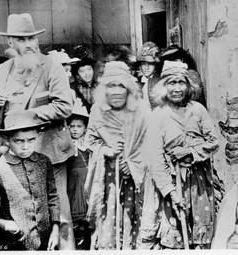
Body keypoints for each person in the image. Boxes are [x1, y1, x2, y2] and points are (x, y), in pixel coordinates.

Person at [0, 13, 75, 249]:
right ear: (10, 43)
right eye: (20, 40)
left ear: (37, 40)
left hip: (49, 151)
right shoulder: (3, 69)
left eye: (30, 39)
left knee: (58, 214)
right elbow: (0, 113)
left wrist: (26, 117)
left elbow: (64, 106)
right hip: (15, 152)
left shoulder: (51, 65)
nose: (27, 45)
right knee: (23, 213)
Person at [140, 61, 219, 249]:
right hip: (173, 183)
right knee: (176, 236)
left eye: (181, 83)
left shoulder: (198, 110)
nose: (177, 88)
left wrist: (191, 152)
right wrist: (171, 192)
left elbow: (213, 143)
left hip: (200, 182)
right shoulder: (157, 116)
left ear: (189, 86)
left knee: (201, 235)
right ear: (163, 87)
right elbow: (156, 159)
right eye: (171, 83)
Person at [85, 61, 151, 250]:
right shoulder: (98, 110)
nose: (115, 91)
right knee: (109, 222)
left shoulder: (142, 109)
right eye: (111, 86)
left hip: (137, 178)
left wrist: (132, 164)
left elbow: (151, 142)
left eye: (121, 85)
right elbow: (90, 142)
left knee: (135, 221)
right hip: (109, 178)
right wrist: (107, 151)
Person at [0, 110, 60, 250]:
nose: (26, 146)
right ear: (6, 139)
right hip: (17, 243)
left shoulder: (43, 161)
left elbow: (53, 197)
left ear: (39, 136)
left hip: (47, 239)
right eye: (18, 141)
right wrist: (3, 223)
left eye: (31, 140)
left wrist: (55, 230)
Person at [66, 104, 92, 250]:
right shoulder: (66, 143)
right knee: (73, 208)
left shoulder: (88, 143)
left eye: (79, 126)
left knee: (86, 209)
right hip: (71, 181)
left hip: (85, 180)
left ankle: (86, 238)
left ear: (85, 128)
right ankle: (75, 238)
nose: (75, 129)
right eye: (72, 126)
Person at [134, 41, 162, 109]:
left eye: (150, 64)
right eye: (143, 64)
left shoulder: (160, 81)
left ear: (155, 65)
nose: (146, 67)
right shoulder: (136, 80)